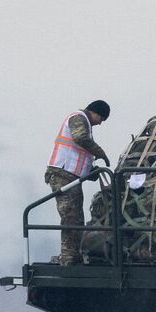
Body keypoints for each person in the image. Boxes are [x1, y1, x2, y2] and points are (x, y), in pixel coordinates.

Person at [45, 100, 111, 264]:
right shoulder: (78, 118)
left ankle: (74, 255)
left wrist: (90, 171)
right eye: (101, 119)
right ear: (95, 112)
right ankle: (68, 258)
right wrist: (100, 152)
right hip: (62, 175)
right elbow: (81, 139)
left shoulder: (85, 124)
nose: (101, 123)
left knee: (77, 218)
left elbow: (76, 153)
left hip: (71, 177)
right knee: (70, 217)